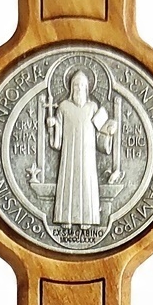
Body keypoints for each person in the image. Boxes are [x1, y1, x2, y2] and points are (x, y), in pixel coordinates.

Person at [47, 69, 117, 226]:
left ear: (87, 88)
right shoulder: (63, 107)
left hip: (87, 154)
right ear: (71, 88)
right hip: (69, 154)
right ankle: (66, 219)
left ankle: (87, 219)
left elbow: (101, 133)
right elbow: (57, 138)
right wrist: (52, 126)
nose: (79, 88)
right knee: (68, 181)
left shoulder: (93, 107)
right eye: (76, 85)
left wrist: (110, 130)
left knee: (87, 182)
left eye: (82, 85)